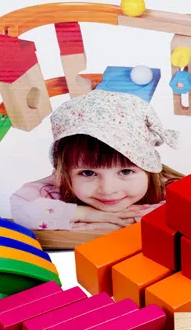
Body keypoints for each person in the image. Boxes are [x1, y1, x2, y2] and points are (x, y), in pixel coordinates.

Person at [11, 91, 179, 232]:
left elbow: (188, 212)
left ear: (148, 168)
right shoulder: (60, 186)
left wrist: (134, 219)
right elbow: (22, 209)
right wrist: (86, 214)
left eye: (125, 171)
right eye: (88, 173)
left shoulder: (169, 187)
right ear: (65, 172)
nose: (108, 190)